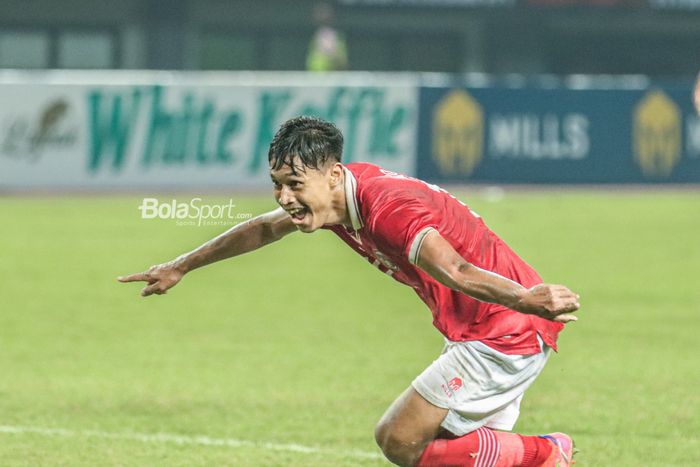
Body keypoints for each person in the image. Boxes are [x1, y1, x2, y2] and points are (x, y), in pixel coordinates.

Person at [119, 116, 579, 467]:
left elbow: (455, 268)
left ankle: (547, 453)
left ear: (333, 175)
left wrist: (525, 298)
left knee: (399, 439)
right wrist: (182, 265)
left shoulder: (388, 208)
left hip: (502, 329)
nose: (284, 198)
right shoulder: (338, 200)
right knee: (453, 453)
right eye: (277, 184)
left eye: (294, 184)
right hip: (484, 326)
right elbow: (263, 230)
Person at [306, 2, 348, 72]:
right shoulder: (320, 33)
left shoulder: (327, 34)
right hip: (318, 76)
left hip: (325, 77)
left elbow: (333, 54)